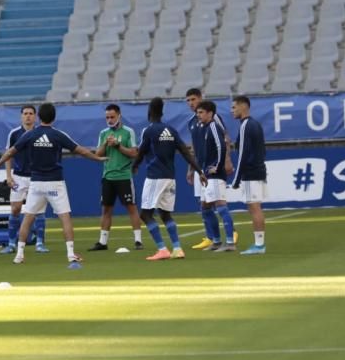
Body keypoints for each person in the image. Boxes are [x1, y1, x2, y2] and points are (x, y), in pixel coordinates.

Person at [0, 102, 107, 265]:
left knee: (28, 217)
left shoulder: (30, 134)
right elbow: (79, 149)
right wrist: (97, 158)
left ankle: (19, 254)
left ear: (38, 116)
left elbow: (11, 151)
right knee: (65, 217)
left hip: (36, 183)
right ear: (54, 117)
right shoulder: (58, 135)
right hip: (55, 183)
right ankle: (70, 253)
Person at [133, 97, 206, 261]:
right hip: (170, 177)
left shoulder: (149, 131)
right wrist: (199, 170)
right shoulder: (171, 130)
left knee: (145, 215)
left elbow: (142, 151)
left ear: (150, 112)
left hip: (155, 177)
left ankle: (162, 249)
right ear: (162, 112)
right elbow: (185, 152)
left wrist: (134, 166)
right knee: (165, 214)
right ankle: (178, 248)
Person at [186, 89, 237, 250]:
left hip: (212, 171)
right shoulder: (194, 123)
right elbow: (195, 148)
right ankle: (215, 241)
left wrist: (222, 163)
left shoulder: (214, 123)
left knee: (220, 204)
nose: (191, 103)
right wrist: (192, 168)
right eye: (188, 100)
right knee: (205, 206)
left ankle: (230, 240)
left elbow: (223, 143)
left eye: (193, 99)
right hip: (202, 171)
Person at [89, 104, 144, 251]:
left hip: (124, 176)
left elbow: (134, 153)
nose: (109, 120)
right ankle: (102, 242)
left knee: (131, 207)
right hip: (108, 176)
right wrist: (106, 143)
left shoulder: (128, 132)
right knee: (106, 209)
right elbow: (98, 154)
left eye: (112, 117)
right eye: (107, 117)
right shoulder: (103, 133)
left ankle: (138, 240)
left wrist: (118, 145)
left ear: (119, 115)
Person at [1, 105, 48, 255]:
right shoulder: (14, 134)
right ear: (21, 116)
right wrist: (9, 175)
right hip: (19, 177)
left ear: (35, 117)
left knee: (39, 211)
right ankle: (11, 243)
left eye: (31, 114)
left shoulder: (41, 133)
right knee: (15, 208)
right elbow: (8, 154)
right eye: (25, 113)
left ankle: (40, 243)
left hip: (37, 176)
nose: (28, 116)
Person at [231, 95, 268, 255]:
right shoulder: (255, 124)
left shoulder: (246, 125)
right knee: (254, 206)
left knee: (254, 207)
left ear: (243, 106)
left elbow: (242, 154)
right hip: (258, 170)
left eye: (234, 107)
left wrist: (237, 178)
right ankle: (259, 244)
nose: (232, 110)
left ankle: (259, 245)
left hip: (251, 172)